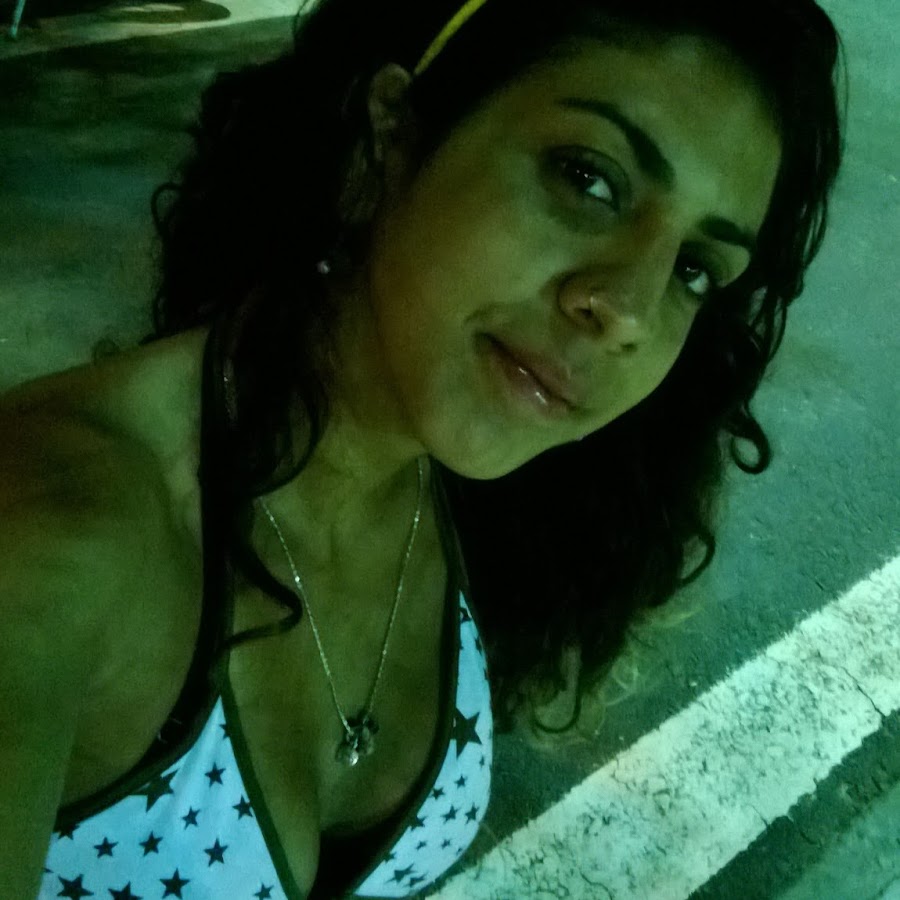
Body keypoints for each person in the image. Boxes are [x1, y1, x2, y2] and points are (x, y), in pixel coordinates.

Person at [0, 0, 846, 897]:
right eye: (589, 179)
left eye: (694, 270)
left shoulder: (482, 501)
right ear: (390, 135)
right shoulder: (55, 544)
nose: (629, 311)